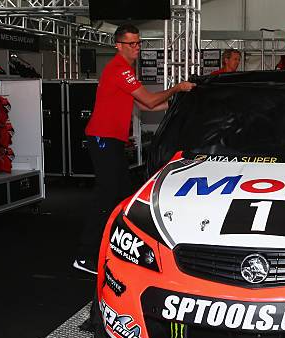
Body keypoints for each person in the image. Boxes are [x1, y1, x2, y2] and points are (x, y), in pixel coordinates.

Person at [73, 23, 195, 275]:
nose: (136, 48)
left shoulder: (125, 71)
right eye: (132, 44)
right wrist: (177, 88)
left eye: (139, 43)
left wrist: (181, 102)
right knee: (107, 196)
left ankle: (116, 250)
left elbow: (150, 107)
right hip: (103, 139)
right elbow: (150, 100)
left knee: (123, 196)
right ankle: (85, 256)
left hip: (110, 141)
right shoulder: (119, 69)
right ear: (118, 46)